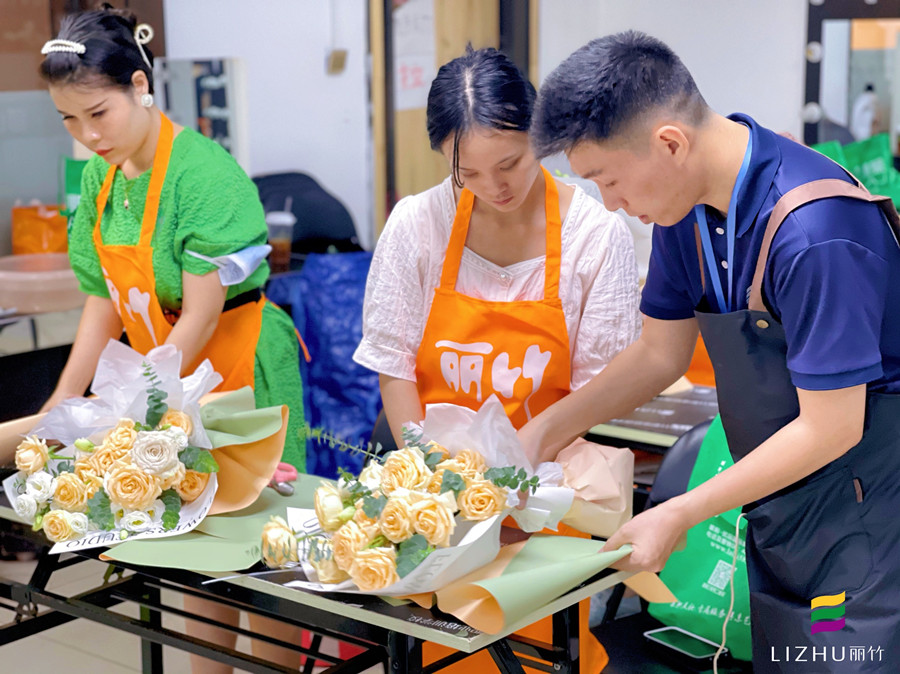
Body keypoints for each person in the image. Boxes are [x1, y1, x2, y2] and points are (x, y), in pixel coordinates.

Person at [523, 31, 900, 669]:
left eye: (608, 180)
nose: (611, 204)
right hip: (784, 504)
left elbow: (832, 426)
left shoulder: (815, 232)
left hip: (863, 512)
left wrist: (680, 511)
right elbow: (659, 355)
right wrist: (538, 434)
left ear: (670, 142)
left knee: (842, 658)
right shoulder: (686, 210)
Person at [354, 46, 641, 673]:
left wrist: (517, 497)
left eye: (509, 162)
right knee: (436, 649)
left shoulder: (595, 236)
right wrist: (428, 481)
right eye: (469, 174)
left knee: (536, 652)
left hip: (545, 496)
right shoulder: (417, 225)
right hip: (440, 510)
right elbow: (395, 364)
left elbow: (599, 389)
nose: (495, 187)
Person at [39, 7, 306, 673]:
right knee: (197, 580)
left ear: (139, 85)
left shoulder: (204, 176)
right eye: (69, 120)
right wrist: (61, 406)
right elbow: (104, 300)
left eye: (97, 113)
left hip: (235, 375)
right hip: (166, 387)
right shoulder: (102, 177)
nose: (86, 135)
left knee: (265, 570)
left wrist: (136, 408)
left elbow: (202, 316)